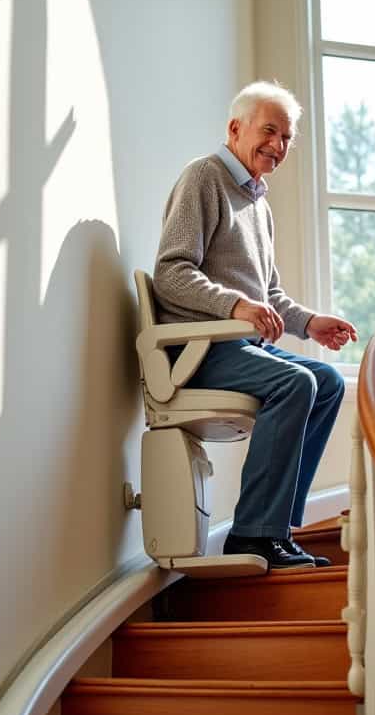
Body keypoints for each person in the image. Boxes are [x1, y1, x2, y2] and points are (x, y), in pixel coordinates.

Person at [152, 81, 358, 570]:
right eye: (269, 131)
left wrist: (309, 323)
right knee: (296, 382)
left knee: (327, 381)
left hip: (240, 347)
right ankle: (253, 535)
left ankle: (277, 528)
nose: (278, 145)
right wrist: (234, 306)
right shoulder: (204, 177)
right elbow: (171, 272)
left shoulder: (259, 205)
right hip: (199, 348)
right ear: (235, 128)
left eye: (287, 137)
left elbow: (269, 298)